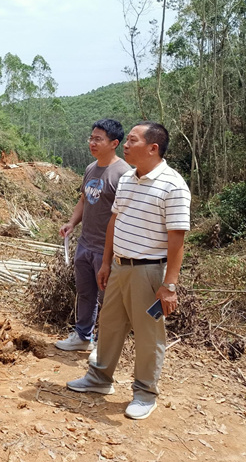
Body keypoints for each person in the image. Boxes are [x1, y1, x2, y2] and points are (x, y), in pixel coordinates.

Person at [66, 122, 191, 420]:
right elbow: (114, 222)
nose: (126, 145)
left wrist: (169, 285)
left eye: (132, 140)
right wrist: (107, 262)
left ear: (153, 148)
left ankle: (145, 394)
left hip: (149, 272)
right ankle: (99, 379)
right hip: (120, 267)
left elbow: (177, 241)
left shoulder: (172, 185)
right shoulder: (127, 179)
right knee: (109, 325)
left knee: (148, 335)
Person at [56, 119, 130, 363]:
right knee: (85, 292)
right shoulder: (90, 169)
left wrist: (113, 253)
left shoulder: (124, 175)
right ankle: (82, 336)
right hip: (85, 244)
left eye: (98, 139)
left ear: (114, 143)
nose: (92, 143)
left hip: (107, 249)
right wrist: (71, 223)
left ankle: (103, 342)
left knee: (107, 299)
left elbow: (125, 215)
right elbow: (84, 200)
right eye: (91, 138)